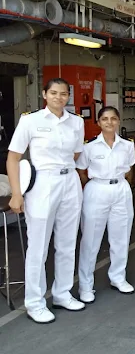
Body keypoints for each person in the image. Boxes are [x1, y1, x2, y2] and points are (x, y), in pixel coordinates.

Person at [6, 78, 85, 323]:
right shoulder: (30, 121)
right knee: (38, 246)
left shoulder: (77, 122)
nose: (58, 98)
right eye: (53, 93)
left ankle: (62, 293)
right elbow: (13, 158)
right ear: (44, 94)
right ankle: (35, 302)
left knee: (67, 242)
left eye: (63, 93)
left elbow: (76, 152)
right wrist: (17, 193)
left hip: (69, 182)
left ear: (68, 96)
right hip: (42, 184)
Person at [76, 106, 135, 303]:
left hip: (121, 189)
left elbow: (129, 171)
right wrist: (94, 186)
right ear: (98, 122)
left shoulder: (127, 145)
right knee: (91, 240)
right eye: (104, 119)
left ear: (119, 121)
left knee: (121, 237)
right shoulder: (89, 147)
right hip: (97, 190)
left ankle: (118, 277)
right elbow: (82, 172)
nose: (109, 122)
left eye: (113, 119)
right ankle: (86, 285)